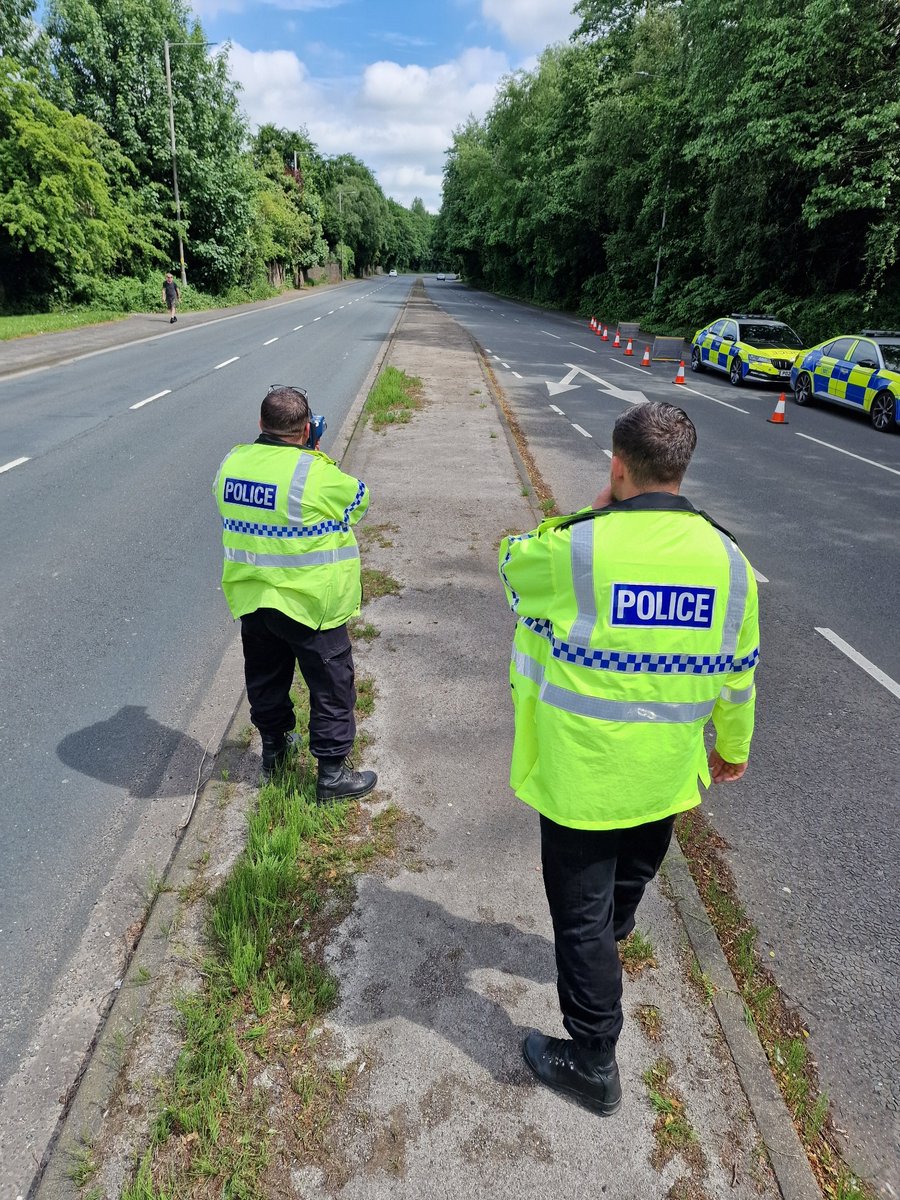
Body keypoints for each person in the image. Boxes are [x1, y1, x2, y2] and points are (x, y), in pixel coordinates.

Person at [498, 401, 759, 1116]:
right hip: (666, 778)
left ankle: (592, 1062)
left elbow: (511, 569)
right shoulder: (731, 563)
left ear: (618, 468)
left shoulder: (577, 547)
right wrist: (731, 751)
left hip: (582, 779)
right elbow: (739, 676)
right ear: (680, 470)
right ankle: (607, 953)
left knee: (579, 919)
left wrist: (583, 515)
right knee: (623, 894)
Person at [214, 385, 377, 802]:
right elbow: (358, 501)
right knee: (331, 687)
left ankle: (274, 751)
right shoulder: (314, 472)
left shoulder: (232, 463)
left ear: (260, 425)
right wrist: (315, 453)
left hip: (254, 599)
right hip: (309, 604)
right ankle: (331, 776)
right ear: (306, 430)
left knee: (266, 678)